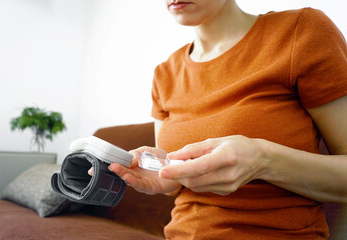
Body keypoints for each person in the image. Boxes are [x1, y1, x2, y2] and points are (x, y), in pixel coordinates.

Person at [92, 0, 347, 239]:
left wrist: (263, 160)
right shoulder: (164, 74)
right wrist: (163, 174)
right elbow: (174, 182)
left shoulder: (301, 32)